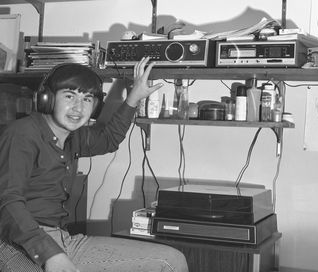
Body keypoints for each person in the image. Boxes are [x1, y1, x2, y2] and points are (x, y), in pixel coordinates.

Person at [0, 57, 188, 272]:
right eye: (69, 96)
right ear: (47, 99)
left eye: (87, 99)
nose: (78, 107)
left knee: (171, 260)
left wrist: (134, 97)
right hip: (15, 242)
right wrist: (50, 254)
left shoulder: (74, 136)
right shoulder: (23, 133)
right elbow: (8, 202)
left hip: (60, 239)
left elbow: (109, 139)